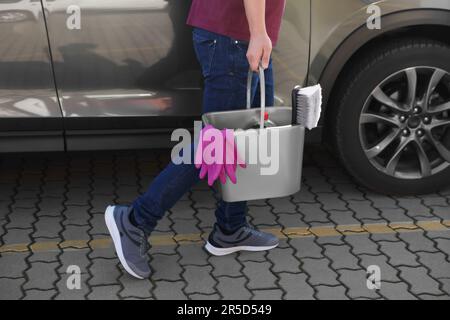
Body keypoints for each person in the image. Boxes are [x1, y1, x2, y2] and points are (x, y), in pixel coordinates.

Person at [105, 0, 287, 279]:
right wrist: (258, 32)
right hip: (235, 38)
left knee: (242, 139)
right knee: (215, 146)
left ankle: (231, 227)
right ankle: (134, 220)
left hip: (237, 35)